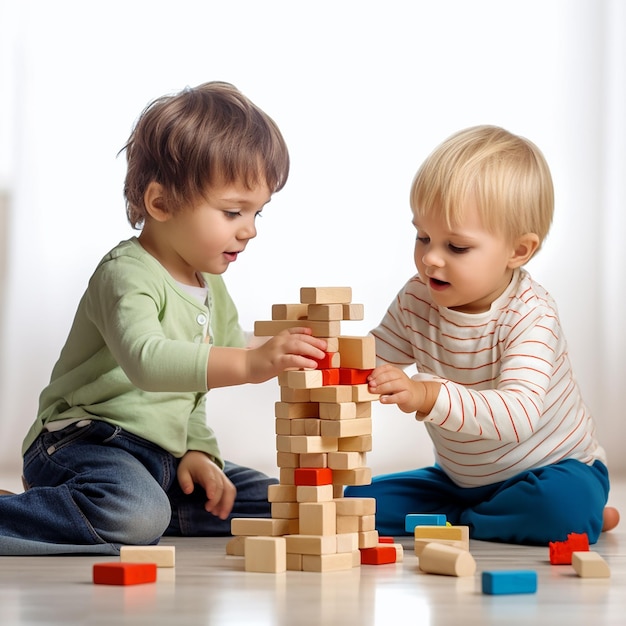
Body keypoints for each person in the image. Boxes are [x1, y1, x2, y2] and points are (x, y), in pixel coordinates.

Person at [0, 81, 327, 555]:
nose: (250, 229)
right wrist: (254, 363)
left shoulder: (210, 283)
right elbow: (149, 362)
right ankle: (50, 509)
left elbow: (202, 376)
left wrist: (198, 450)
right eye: (234, 210)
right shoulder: (126, 274)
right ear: (161, 203)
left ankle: (142, 507)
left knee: (281, 503)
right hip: (86, 442)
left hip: (163, 455)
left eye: (259, 212)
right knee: (133, 513)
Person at [345, 125, 619, 545]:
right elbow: (375, 358)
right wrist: (322, 356)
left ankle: (557, 515)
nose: (431, 258)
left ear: (518, 251)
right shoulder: (418, 297)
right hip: (461, 481)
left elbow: (519, 414)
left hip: (554, 468)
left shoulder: (530, 315)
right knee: (355, 504)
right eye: (423, 237)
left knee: (561, 506)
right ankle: (479, 518)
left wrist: (426, 394)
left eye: (456, 247)